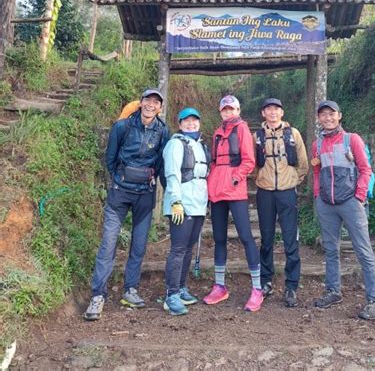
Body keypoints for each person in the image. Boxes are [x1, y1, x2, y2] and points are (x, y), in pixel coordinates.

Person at [84, 89, 169, 321]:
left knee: (139, 246)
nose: (151, 105)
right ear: (140, 103)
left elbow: (161, 163)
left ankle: (130, 290)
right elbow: (110, 158)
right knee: (108, 243)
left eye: (156, 102)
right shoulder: (122, 127)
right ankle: (98, 295)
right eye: (148, 101)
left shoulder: (163, 131)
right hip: (120, 194)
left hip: (145, 196)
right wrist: (120, 179)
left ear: (160, 108)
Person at [312, 100, 375, 320]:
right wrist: (317, 195)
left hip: (350, 202)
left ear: (339, 116)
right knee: (331, 250)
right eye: (323, 115)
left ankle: (374, 299)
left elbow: (365, 169)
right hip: (326, 203)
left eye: (331, 114)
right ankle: (333, 291)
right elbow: (316, 171)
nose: (328, 118)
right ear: (318, 119)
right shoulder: (317, 144)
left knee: (363, 250)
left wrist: (359, 196)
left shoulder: (352, 140)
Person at [203, 95, 263, 312]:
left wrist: (236, 177)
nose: (228, 112)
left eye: (232, 109)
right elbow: (213, 161)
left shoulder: (242, 129)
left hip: (235, 190)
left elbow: (249, 160)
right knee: (219, 238)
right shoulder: (217, 133)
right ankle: (220, 286)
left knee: (246, 237)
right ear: (221, 112)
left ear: (238, 110)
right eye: (225, 109)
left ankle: (257, 288)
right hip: (217, 191)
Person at [254, 98, 308, 307]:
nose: (273, 112)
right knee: (266, 239)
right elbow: (252, 164)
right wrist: (260, 179)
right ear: (263, 113)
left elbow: (303, 163)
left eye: (276, 108)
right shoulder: (257, 136)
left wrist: (294, 179)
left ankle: (291, 285)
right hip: (265, 192)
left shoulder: (292, 134)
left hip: (287, 192)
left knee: (290, 240)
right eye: (269, 109)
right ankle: (266, 281)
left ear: (282, 112)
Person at [161, 107, 209, 316]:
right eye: (186, 121)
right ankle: (171, 294)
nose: (191, 124)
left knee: (188, 248)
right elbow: (172, 173)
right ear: (179, 124)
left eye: (194, 121)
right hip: (181, 204)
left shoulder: (200, 145)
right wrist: (175, 201)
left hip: (198, 204)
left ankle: (181, 287)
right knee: (178, 248)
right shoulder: (175, 144)